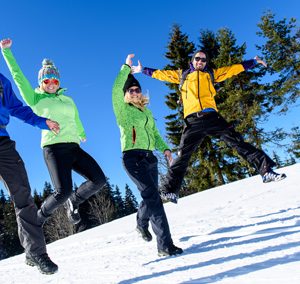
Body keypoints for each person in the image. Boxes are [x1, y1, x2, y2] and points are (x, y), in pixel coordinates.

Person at [132, 50, 286, 203]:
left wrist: (253, 62)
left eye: (203, 60)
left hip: (212, 117)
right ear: (192, 60)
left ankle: (266, 171)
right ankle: (169, 191)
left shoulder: (212, 74)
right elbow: (162, 74)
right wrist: (143, 69)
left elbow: (232, 69)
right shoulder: (182, 75)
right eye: (197, 59)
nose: (200, 61)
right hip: (192, 121)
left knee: (238, 142)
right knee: (183, 155)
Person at [0, 38, 107, 226]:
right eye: (46, 80)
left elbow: (76, 118)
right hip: (53, 148)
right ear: (41, 82)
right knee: (62, 191)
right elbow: (17, 76)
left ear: (59, 81)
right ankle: (39, 218)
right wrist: (6, 52)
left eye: (54, 79)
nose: (51, 83)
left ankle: (74, 201)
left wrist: (81, 133)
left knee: (98, 180)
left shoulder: (68, 100)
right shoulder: (35, 98)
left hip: (73, 147)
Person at [112, 54, 183, 256]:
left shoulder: (147, 112)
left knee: (150, 195)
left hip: (149, 158)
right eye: (131, 90)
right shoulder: (122, 110)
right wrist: (125, 67)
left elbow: (155, 134)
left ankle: (141, 223)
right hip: (132, 158)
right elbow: (116, 89)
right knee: (154, 198)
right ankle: (165, 245)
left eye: (137, 89)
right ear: (126, 94)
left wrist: (166, 149)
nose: (135, 92)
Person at [0, 69, 59, 274]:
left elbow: (17, 108)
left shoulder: (1, 81)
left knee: (22, 195)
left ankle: (35, 252)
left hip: (3, 145)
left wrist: (43, 122)